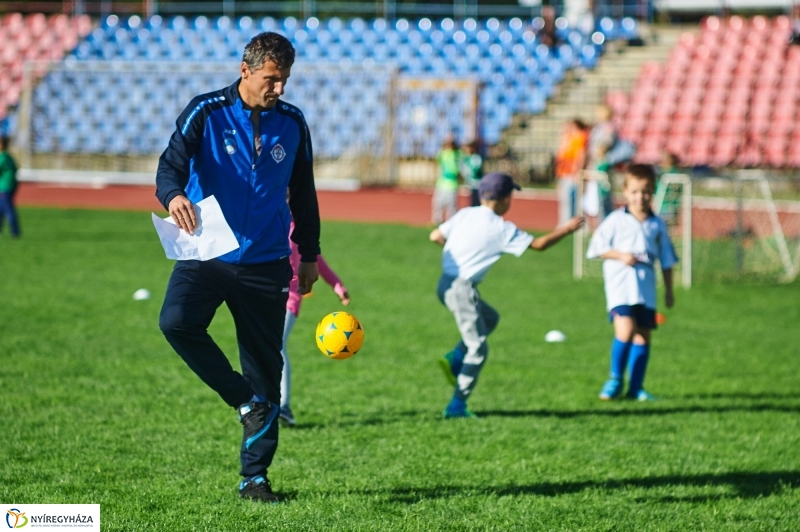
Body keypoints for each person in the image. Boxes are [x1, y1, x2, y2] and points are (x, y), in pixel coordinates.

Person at [155, 32, 320, 504]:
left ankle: (255, 478)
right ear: (245, 70)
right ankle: (241, 400)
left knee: (266, 371)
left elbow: (304, 193)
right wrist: (175, 195)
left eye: (285, 80)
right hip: (206, 254)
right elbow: (170, 165)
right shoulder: (204, 110)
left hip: (267, 261)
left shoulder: (292, 122)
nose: (280, 89)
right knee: (176, 322)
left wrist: (308, 255)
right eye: (272, 79)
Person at [429, 172, 583, 418]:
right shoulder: (502, 228)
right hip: (462, 289)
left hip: (444, 283)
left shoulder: (466, 213)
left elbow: (435, 236)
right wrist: (565, 229)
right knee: (478, 348)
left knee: (490, 318)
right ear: (503, 199)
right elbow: (539, 245)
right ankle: (456, 406)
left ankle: (455, 358)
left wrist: (461, 251)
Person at [586, 164, 677, 402]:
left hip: (645, 290)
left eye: (646, 191)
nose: (641, 197)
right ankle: (615, 379)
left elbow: (667, 261)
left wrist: (669, 290)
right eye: (635, 191)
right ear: (625, 191)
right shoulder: (616, 220)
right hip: (620, 288)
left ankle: (636, 388)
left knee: (643, 336)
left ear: (653, 192)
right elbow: (596, 248)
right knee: (625, 330)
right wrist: (620, 255)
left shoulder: (657, 225)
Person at [279, 219, 350, 427]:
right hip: (265, 293)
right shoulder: (265, 216)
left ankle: (284, 406)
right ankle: (262, 403)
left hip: (290, 297)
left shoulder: (296, 226)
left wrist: (337, 285)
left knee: (277, 344)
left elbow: (315, 259)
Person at [554, 119, 588, 224]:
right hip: (564, 173)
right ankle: (566, 222)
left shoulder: (579, 138)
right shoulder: (569, 139)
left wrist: (577, 170)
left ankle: (570, 222)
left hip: (571, 174)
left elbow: (581, 155)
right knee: (566, 200)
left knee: (573, 200)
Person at [432, 135, 461, 224]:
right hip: (441, 183)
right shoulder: (443, 154)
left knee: (452, 205)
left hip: (452, 184)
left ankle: (452, 222)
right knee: (438, 204)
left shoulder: (457, 154)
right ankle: (437, 221)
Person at [0, 136, 20, 238]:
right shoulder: (10, 157)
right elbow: (16, 169)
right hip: (12, 185)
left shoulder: (2, 157)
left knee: (8, 209)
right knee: (2, 208)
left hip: (4, 186)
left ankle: (15, 231)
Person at [459, 139, 484, 207]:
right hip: (470, 185)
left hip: (476, 185)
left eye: (467, 148)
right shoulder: (465, 158)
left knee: (476, 204)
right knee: (470, 203)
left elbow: (475, 171)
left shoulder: (476, 158)